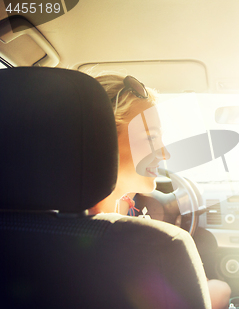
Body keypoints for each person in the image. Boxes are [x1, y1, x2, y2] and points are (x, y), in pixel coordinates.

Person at [87, 73, 231, 309]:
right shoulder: (155, 245)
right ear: (103, 141)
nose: (165, 153)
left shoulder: (30, 227)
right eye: (151, 137)